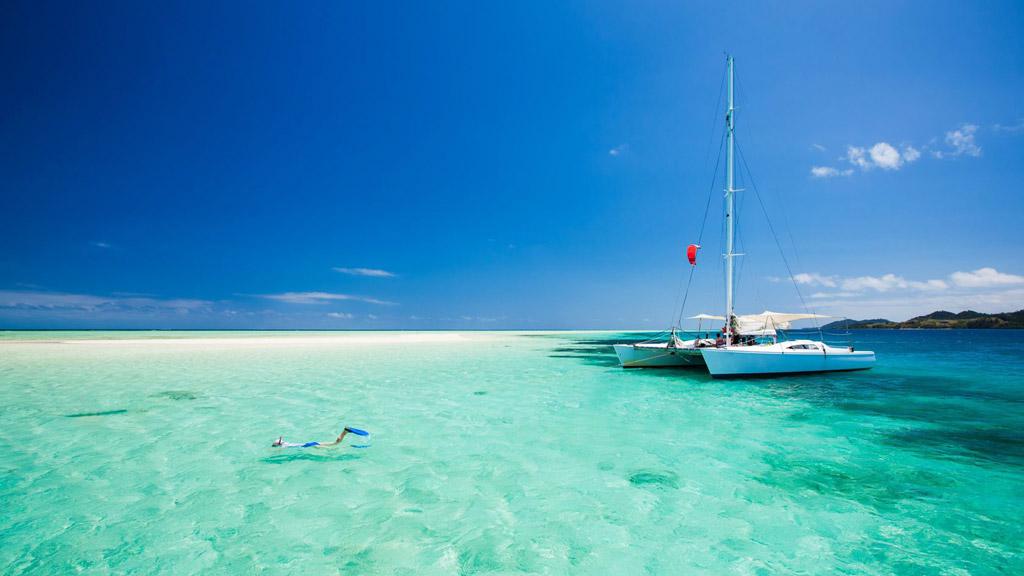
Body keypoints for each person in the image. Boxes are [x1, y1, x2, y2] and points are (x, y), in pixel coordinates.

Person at [272, 427, 350, 449]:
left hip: (308, 446)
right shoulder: (286, 443)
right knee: (334, 444)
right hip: (310, 443)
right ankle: (344, 432)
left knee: (334, 445)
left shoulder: (284, 446)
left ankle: (344, 433)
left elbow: (278, 450)